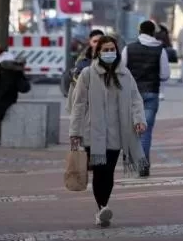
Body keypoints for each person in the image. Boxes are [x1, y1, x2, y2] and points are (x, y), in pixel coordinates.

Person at [69, 36, 147, 228]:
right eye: (105, 49)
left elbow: (135, 99)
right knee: (99, 172)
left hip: (116, 132)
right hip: (92, 133)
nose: (110, 53)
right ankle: (101, 208)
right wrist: (75, 132)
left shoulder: (125, 74)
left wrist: (138, 120)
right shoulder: (87, 74)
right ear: (98, 53)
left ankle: (104, 206)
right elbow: (78, 104)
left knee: (109, 172)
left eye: (112, 49)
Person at [120, 20, 170, 177]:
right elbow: (165, 75)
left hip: (132, 95)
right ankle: (143, 164)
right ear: (153, 32)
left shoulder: (129, 48)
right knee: (145, 132)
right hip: (151, 94)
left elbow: (121, 71)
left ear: (139, 31)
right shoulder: (160, 50)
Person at [68, 29, 104, 107]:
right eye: (95, 41)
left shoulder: (112, 59)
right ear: (90, 42)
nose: (98, 44)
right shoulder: (82, 61)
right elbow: (76, 81)